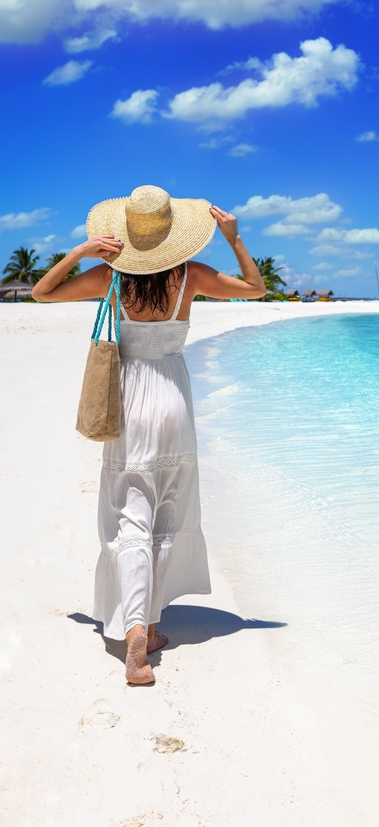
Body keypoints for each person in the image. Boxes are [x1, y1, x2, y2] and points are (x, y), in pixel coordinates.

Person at [32, 185, 266, 685]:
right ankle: (152, 624)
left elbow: (41, 292)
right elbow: (256, 288)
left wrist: (79, 252)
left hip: (129, 398)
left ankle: (136, 628)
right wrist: (235, 238)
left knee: (130, 515)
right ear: (173, 238)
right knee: (167, 508)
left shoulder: (109, 278)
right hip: (174, 396)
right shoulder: (192, 277)